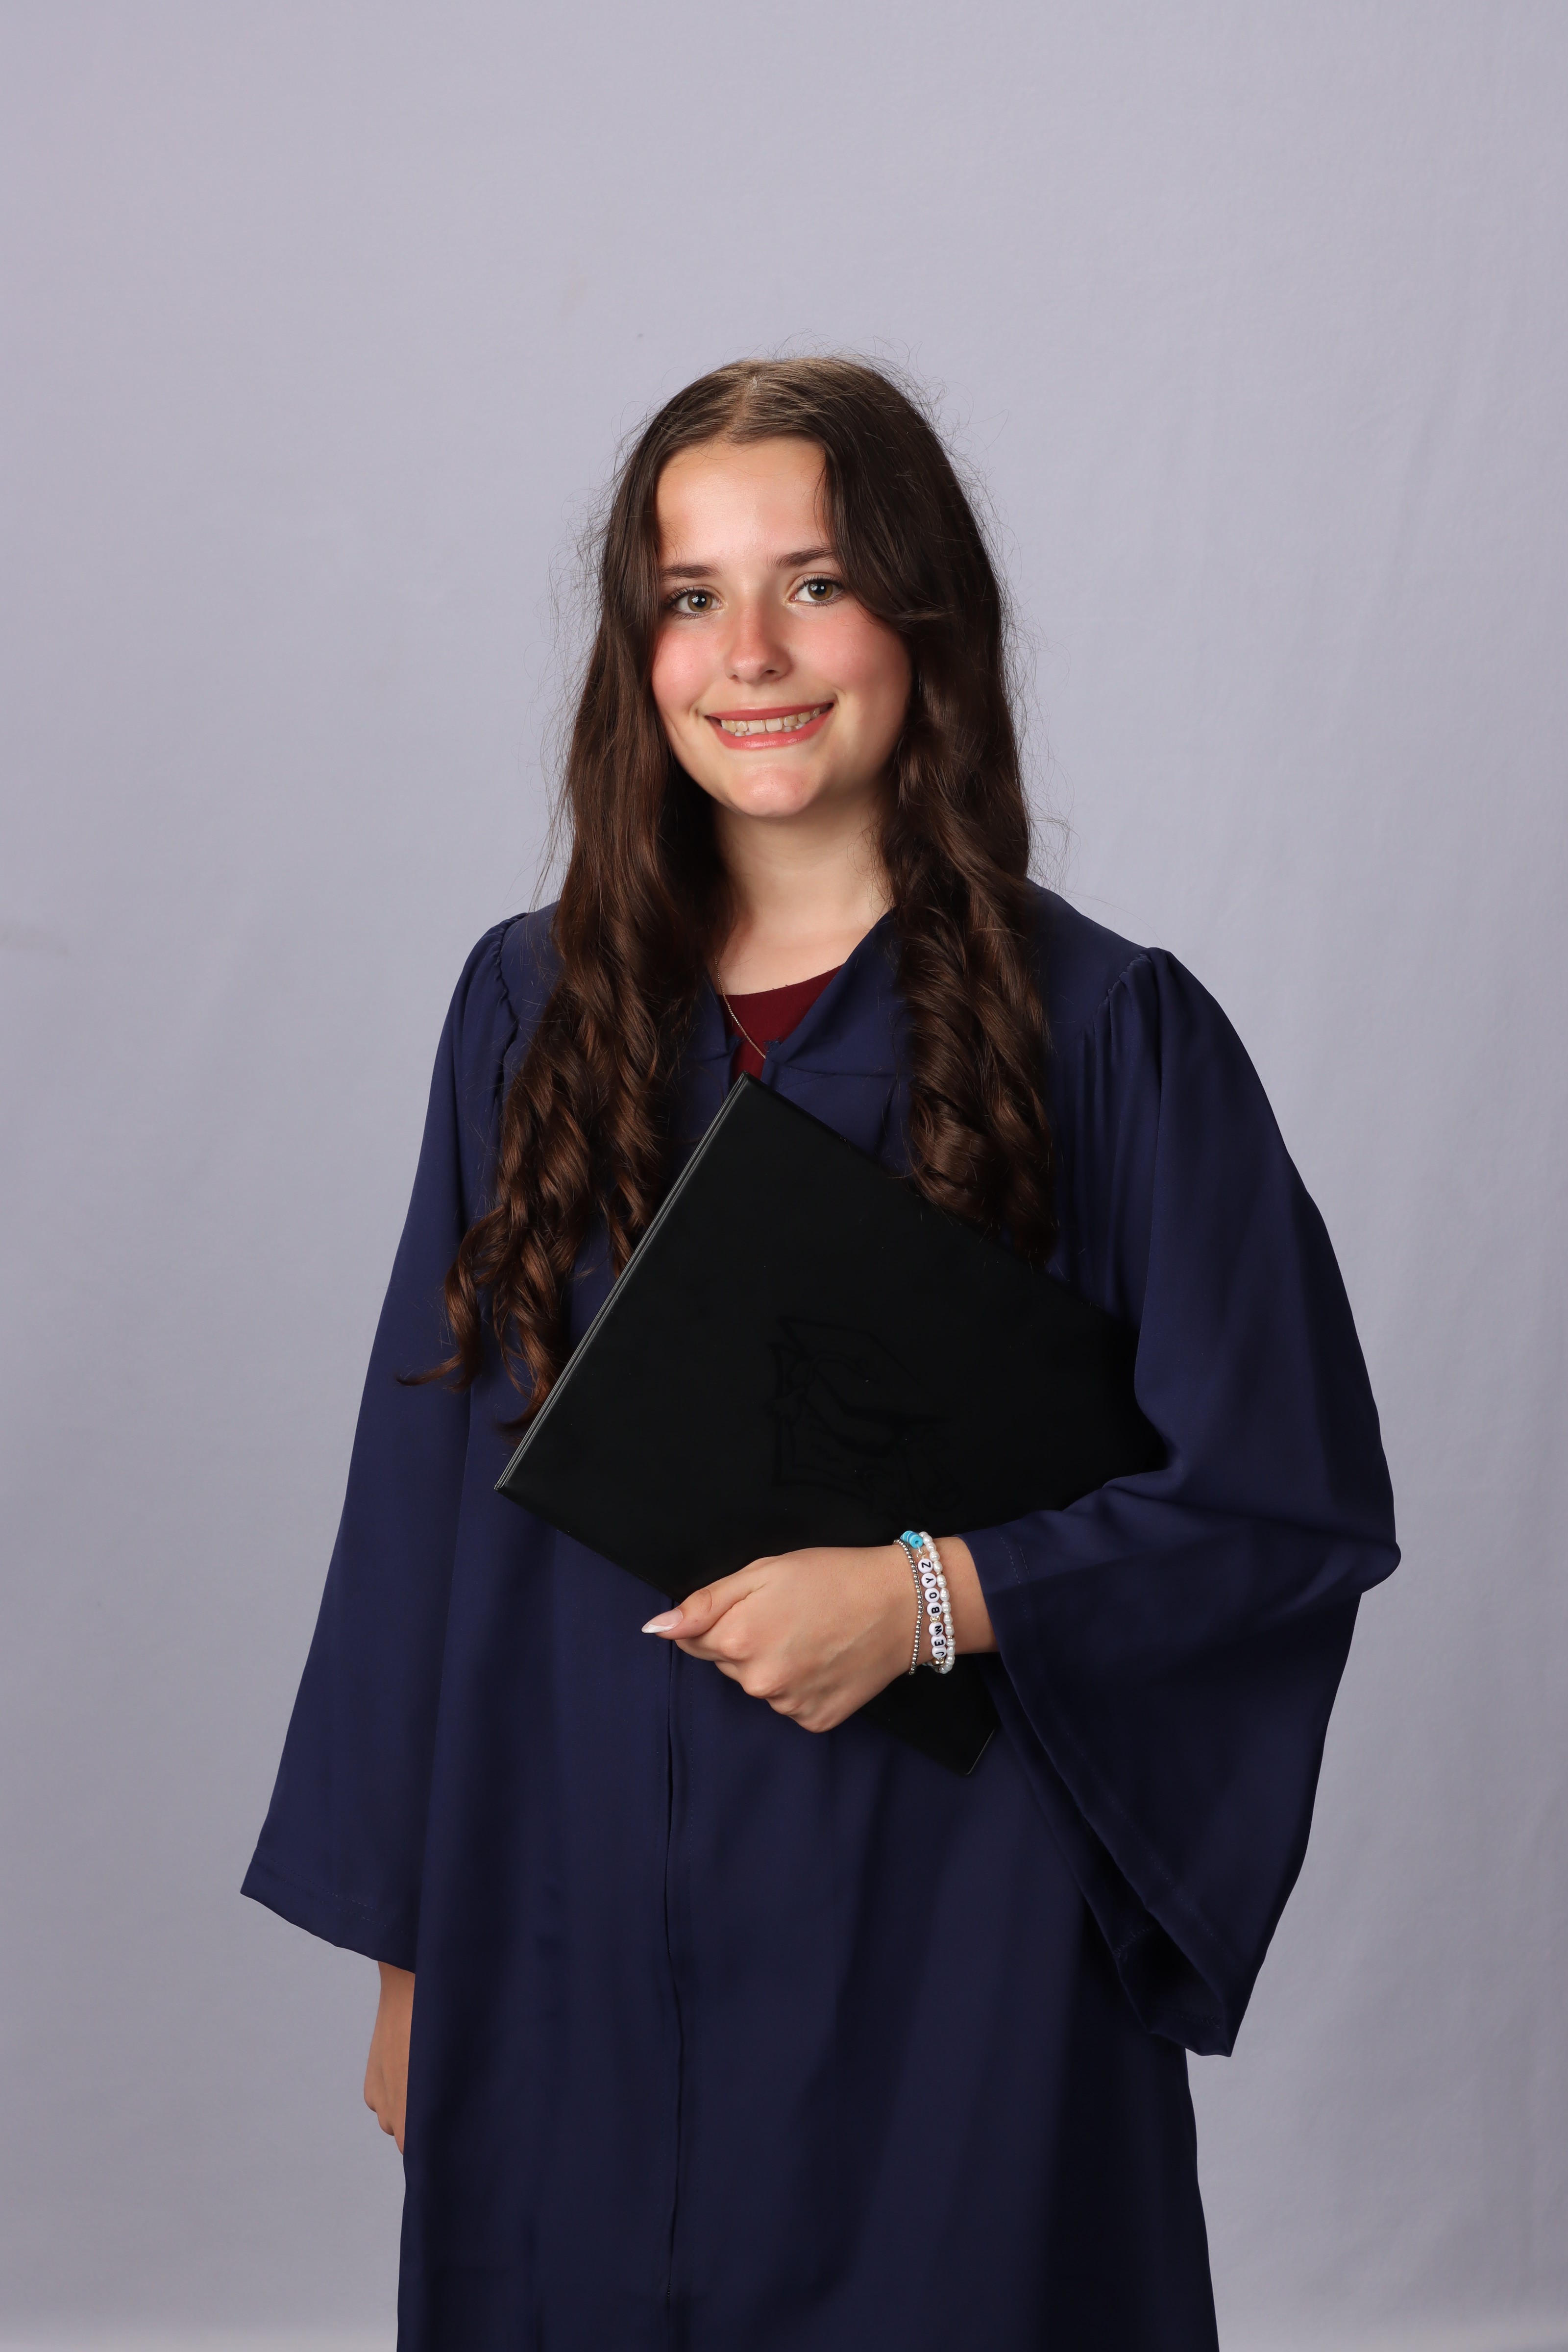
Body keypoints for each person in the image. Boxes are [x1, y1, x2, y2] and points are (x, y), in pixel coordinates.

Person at [244, 358, 1397, 2351]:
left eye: (816, 582)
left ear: (922, 617)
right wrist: (416, 1959)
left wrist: (931, 1596)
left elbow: (1276, 1506)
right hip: (563, 1920)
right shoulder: (529, 1015)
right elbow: (420, 1508)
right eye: (690, 598)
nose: (750, 654)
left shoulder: (1108, 1037)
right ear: (638, 653)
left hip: (950, 1944)